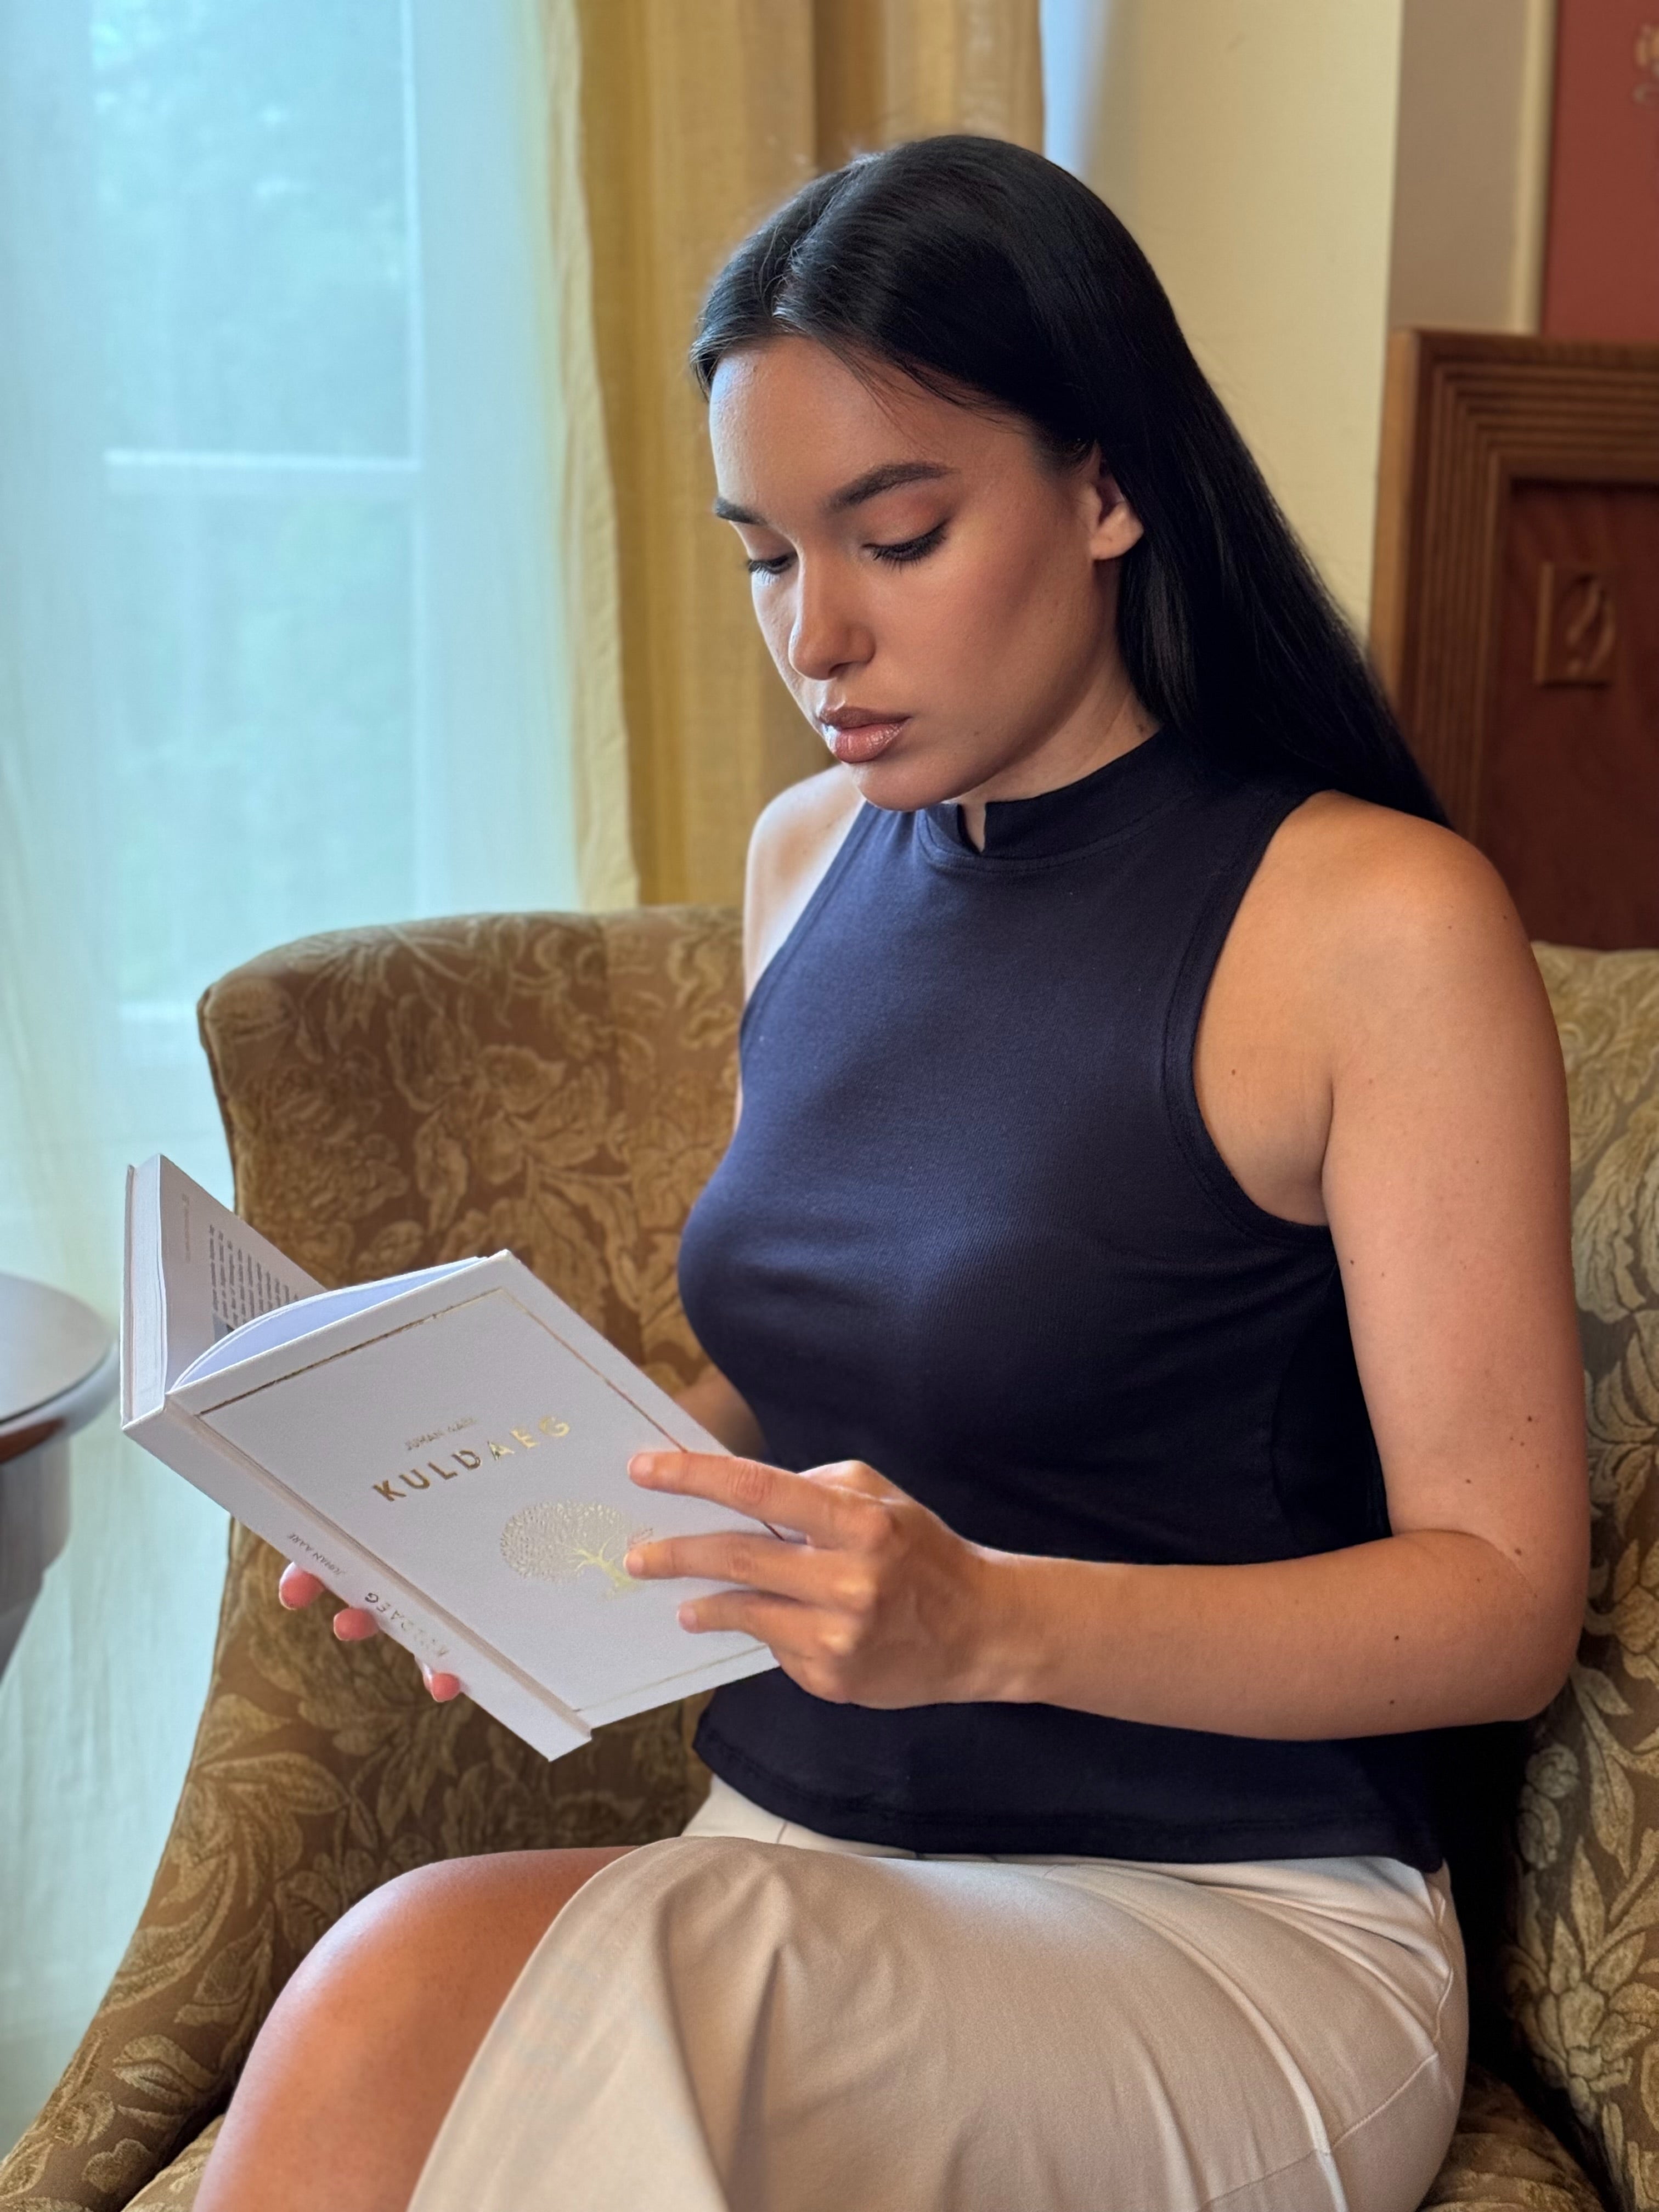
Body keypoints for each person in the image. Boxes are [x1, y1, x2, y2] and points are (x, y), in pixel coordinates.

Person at [195, 137, 1588, 2212]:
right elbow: (805, 1382)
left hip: (1225, 1925)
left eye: (899, 534)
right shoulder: (810, 861)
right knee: (388, 2014)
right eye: (766, 557)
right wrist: (485, 1518)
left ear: (1108, 488)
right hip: (799, 1849)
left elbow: (1502, 1606)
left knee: (436, 1973)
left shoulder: (1375, 925)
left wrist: (993, 1621)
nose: (818, 633)